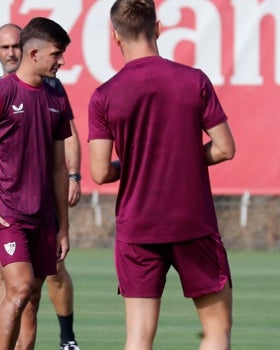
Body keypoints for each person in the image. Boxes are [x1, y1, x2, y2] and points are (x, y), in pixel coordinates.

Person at [87, 1, 235, 349]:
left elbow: (99, 172)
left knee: (138, 337)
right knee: (216, 330)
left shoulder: (103, 95)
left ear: (114, 36)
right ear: (158, 28)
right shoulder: (194, 80)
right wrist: (183, 158)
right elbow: (226, 148)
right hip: (192, 221)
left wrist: (139, 162)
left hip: (138, 226)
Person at [0, 23, 81, 350]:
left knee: (32, 301)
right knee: (19, 288)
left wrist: (63, 228)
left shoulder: (55, 98)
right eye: (56, 54)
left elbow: (59, 168)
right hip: (8, 217)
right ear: (35, 53)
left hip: (44, 219)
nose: (61, 61)